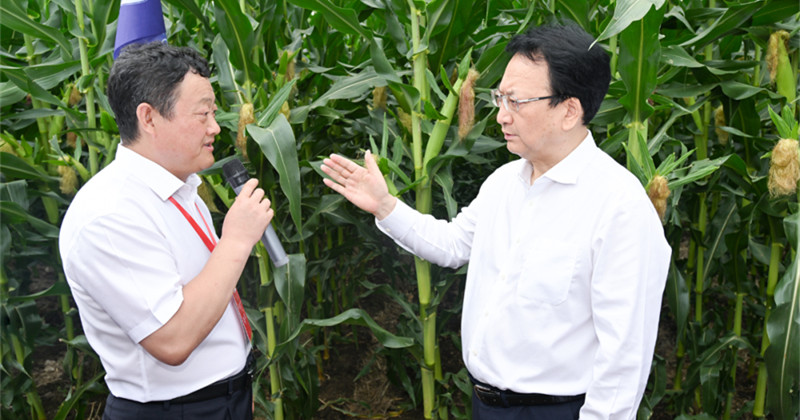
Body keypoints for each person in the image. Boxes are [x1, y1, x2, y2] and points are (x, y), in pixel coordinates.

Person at [321, 22, 671, 419]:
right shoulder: (505, 182)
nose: (501, 115)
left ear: (569, 111)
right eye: (499, 97)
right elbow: (453, 244)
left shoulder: (619, 207)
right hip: (486, 405)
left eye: (515, 102)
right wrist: (385, 206)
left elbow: (624, 358)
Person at [59, 42, 272, 419]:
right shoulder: (109, 215)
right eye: (203, 114)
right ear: (149, 117)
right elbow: (173, 339)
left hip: (223, 399)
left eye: (214, 113)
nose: (215, 127)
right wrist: (238, 240)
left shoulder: (181, 186)